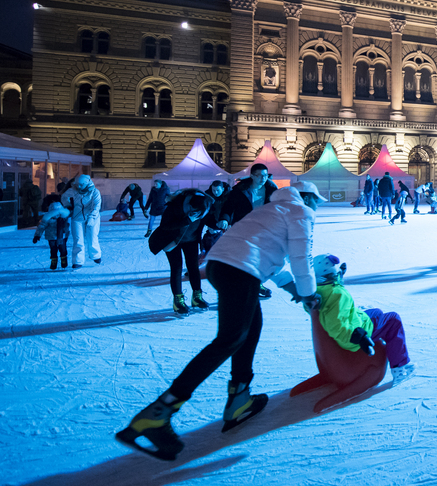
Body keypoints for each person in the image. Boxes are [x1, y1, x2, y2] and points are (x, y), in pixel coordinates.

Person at [117, 181, 327, 461]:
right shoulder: (300, 212)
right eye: (316, 201)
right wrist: (309, 294)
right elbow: (301, 257)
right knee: (229, 339)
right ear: (307, 197)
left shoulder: (271, 209)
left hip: (221, 265)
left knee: (250, 329)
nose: (317, 207)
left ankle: (239, 397)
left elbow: (263, 249)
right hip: (241, 270)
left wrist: (291, 287)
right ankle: (159, 412)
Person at [308, 254, 415, 384]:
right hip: (355, 333)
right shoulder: (337, 295)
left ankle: (371, 321)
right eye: (333, 272)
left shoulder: (320, 288)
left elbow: (332, 288)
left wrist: (339, 276)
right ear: (329, 274)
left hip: (355, 319)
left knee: (376, 312)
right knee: (393, 320)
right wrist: (358, 337)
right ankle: (400, 368)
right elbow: (335, 326)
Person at [149, 189, 215, 314]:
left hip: (191, 240)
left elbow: (209, 220)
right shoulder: (175, 206)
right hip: (172, 240)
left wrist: (223, 222)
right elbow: (165, 226)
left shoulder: (205, 206)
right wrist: (187, 220)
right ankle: (178, 301)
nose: (199, 215)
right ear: (190, 206)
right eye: (196, 212)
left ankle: (197, 297)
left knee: (193, 268)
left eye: (201, 213)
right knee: (177, 268)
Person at [219, 164, 278, 299]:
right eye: (260, 175)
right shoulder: (240, 190)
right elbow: (228, 208)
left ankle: (256, 284)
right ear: (252, 176)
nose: (263, 178)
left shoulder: (272, 189)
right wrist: (224, 219)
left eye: (265, 175)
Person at [61, 174, 102, 268]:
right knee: (78, 239)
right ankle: (78, 261)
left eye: (81, 184)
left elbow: (96, 206)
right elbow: (64, 197)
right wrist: (68, 206)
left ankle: (96, 255)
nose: (78, 186)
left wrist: (92, 218)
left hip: (92, 218)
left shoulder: (95, 192)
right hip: (77, 217)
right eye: (77, 184)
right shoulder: (73, 190)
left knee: (92, 237)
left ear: (87, 183)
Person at [33, 193, 70, 270]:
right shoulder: (51, 219)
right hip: (54, 237)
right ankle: (56, 261)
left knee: (59, 249)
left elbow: (41, 226)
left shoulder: (63, 219)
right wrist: (37, 235)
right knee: (56, 249)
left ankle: (61, 260)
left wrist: (37, 235)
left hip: (57, 237)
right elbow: (41, 226)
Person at [201, 180, 230, 255]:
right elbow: (206, 213)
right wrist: (211, 225)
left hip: (227, 224)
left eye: (218, 190)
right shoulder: (207, 196)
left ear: (223, 189)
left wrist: (228, 222)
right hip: (213, 225)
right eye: (213, 190)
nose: (215, 192)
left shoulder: (229, 196)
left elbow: (231, 210)